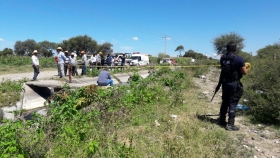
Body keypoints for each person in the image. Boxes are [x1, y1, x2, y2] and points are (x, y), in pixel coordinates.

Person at [217, 42, 248, 131]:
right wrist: (246, 66)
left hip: (225, 83)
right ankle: (230, 124)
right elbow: (244, 72)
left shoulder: (222, 58)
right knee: (233, 103)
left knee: (225, 102)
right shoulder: (239, 59)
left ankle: (221, 120)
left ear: (227, 49)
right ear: (235, 49)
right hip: (234, 84)